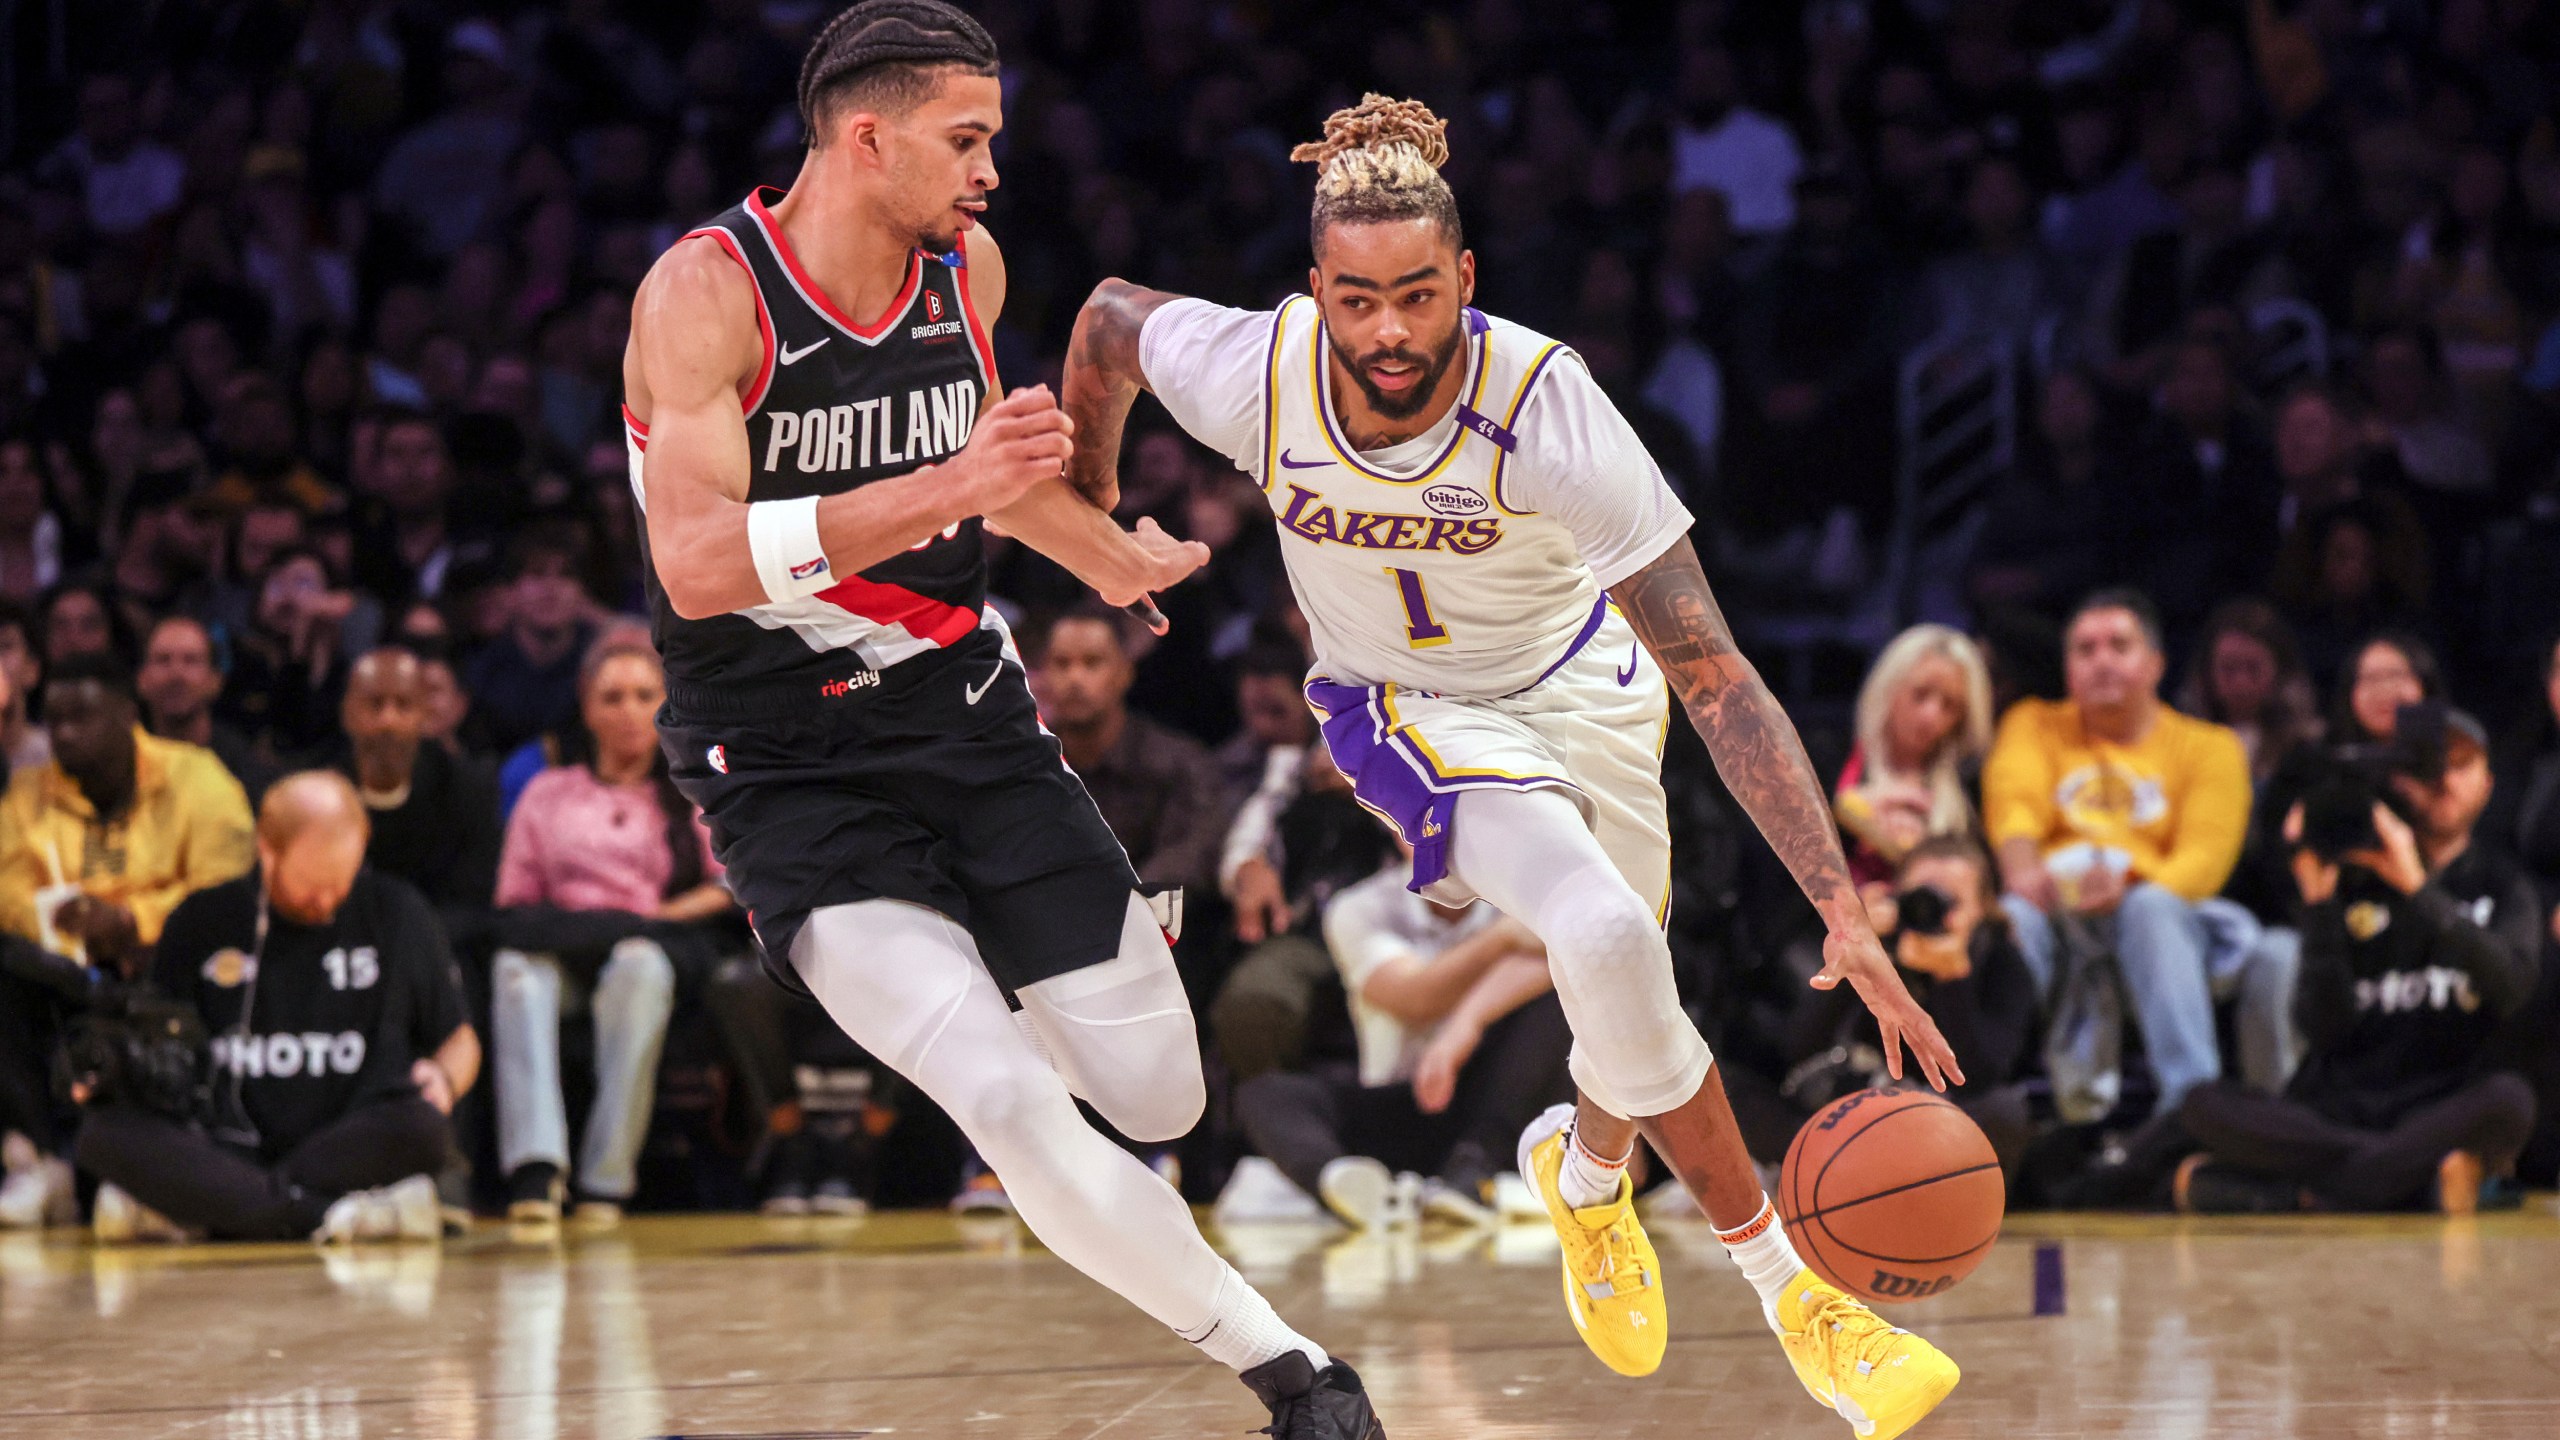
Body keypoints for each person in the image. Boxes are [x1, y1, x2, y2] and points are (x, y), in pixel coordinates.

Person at [1064, 92, 1961, 1434]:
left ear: (1465, 279)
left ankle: (1588, 1175)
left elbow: (1715, 674)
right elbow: (1108, 322)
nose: (1384, 333)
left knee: (1627, 973)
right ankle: (1800, 1301)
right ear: (1318, 289)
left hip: (1589, 687)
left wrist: (1844, 908)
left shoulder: (1547, 406)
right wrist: (1088, 511)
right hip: (1405, 706)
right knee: (1599, 930)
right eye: (1356, 300)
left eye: (1417, 297)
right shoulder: (1259, 370)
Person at [622, 7, 1372, 1433]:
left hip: (969, 723)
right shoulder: (706, 294)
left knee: (1161, 1102)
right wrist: (951, 490)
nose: (990, 170)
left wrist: (1110, 556)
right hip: (786, 773)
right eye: (967, 140)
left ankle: (1042, 976)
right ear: (868, 137)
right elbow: (700, 565)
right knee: (1006, 1099)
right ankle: (1294, 1372)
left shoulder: (962, 268)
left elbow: (994, 476)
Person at [77, 771, 479, 1243]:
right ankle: (319, 1215)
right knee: (102, 1134)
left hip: (343, 1146)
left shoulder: (399, 912)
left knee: (424, 1128)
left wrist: (446, 1078)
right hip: (225, 1147)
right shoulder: (201, 919)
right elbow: (159, 1047)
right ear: (267, 850)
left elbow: (460, 1039)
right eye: (311, 886)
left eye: (339, 885)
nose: (326, 902)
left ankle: (220, 1212)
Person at [2176, 713, 2540, 1212]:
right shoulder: (2352, 878)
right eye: (2428, 770)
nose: (2444, 782)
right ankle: (2404, 1184)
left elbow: (2512, 988)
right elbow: (2324, 1028)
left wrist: (2419, 889)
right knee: (2202, 1102)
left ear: (2488, 784)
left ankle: (2303, 1194)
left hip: (2438, 1106)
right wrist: (2319, 905)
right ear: (2401, 783)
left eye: (2460, 765)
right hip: (2339, 1111)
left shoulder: (2505, 885)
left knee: (2511, 1100)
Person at [0, 654, 256, 1227]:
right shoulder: (28, 791)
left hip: (170, 965)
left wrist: (131, 918)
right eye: (56, 720)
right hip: (69, 970)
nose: (64, 734)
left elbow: (227, 889)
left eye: (82, 718)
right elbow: (8, 887)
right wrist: (58, 927)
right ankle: (40, 1162)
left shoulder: (197, 778)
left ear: (126, 715)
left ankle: (173, 1167)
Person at [489, 633, 729, 1228]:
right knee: (515, 971)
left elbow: (731, 882)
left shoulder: (690, 790)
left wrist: (663, 917)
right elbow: (514, 900)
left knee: (640, 966)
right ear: (587, 706)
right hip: (563, 943)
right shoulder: (549, 793)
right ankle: (536, 1168)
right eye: (612, 697)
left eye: (644, 695)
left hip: (646, 942)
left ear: (667, 701)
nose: (628, 711)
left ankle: (605, 1178)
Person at [1984, 591, 2256, 1115]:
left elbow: (2205, 862)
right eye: (2085, 650)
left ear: (2155, 664)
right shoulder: (2033, 723)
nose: (2101, 659)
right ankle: (1973, 1101)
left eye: (2119, 645)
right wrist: (2020, 868)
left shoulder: (2211, 746)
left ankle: (2194, 1108)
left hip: (2171, 925)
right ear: (2067, 669)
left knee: (2149, 908)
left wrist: (2129, 880)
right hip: (2060, 913)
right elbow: (2014, 805)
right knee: (2013, 917)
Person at [1235, 848, 1569, 1227]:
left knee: (1559, 998)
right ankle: (1346, 1184)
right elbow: (1414, 996)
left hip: (1495, 1100)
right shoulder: (1358, 906)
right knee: (1265, 1093)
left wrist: (1465, 1026)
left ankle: (1474, 1172)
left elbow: (1558, 953)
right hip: (1403, 1102)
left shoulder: (1520, 889)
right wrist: (1504, 938)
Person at [1726, 837, 2040, 1186]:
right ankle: (1835, 1178)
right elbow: (1799, 1050)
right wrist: (1857, 954)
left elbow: (1981, 1077)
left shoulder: (2001, 962)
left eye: (1951, 902)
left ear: (1982, 908)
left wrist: (1952, 980)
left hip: (1932, 1129)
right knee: (1726, 1087)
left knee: (2004, 1113)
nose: (1932, 910)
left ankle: (1846, 1181)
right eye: (1921, 896)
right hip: (1843, 1117)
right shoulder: (1875, 941)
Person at [1029, 604, 1224, 900]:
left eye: (1092, 663)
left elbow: (1191, 854)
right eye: (1062, 663)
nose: (1075, 679)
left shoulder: (1179, 762)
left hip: (1152, 926)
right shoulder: (1027, 761)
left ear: (1124, 673)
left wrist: (1124, 902)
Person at [333, 647, 501, 943]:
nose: (389, 721)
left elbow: (474, 906)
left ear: (423, 714)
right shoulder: (319, 793)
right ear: (347, 713)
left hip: (436, 948)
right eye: (374, 705)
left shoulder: (467, 789)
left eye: (403, 705)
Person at [1834, 624, 1994, 888]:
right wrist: (1852, 815)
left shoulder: (1970, 789)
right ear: (1888, 686)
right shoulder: (1828, 756)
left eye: (1949, 705)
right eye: (1920, 694)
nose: (1931, 716)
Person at [137, 614, 277, 803]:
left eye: (191, 660)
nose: (176, 674)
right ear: (142, 679)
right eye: (163, 660)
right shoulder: (123, 764)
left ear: (215, 681)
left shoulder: (244, 773)